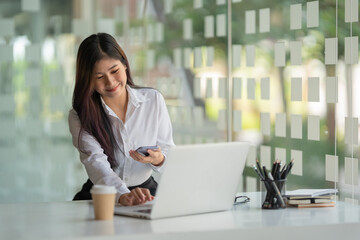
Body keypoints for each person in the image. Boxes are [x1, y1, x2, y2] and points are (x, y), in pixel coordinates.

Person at [68, 33, 175, 206]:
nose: (110, 82)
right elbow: (96, 163)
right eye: (99, 77)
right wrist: (123, 195)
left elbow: (169, 152)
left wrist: (158, 159)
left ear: (125, 65)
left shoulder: (153, 100)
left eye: (114, 71)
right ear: (88, 79)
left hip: (147, 192)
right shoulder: (79, 116)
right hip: (102, 195)